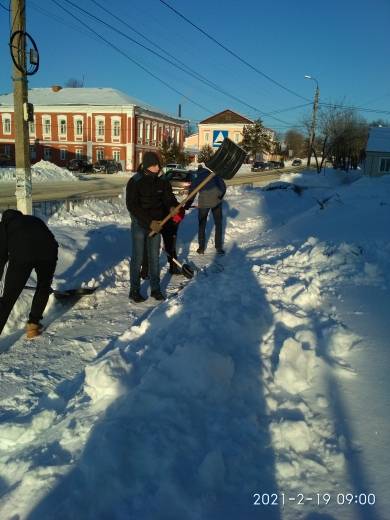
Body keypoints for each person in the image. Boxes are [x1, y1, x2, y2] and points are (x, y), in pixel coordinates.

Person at [126, 151, 179, 303]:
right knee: (137, 258)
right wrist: (149, 222)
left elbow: (169, 198)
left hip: (158, 224)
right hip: (140, 223)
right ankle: (134, 290)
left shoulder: (162, 181)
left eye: (158, 164)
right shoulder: (135, 181)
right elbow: (132, 206)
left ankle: (155, 289)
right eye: (156, 165)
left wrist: (172, 207)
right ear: (148, 166)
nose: (158, 167)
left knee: (154, 258)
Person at [0, 209, 58, 338]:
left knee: (8, 299)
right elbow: (48, 236)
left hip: (23, 257)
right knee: (43, 287)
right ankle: (33, 325)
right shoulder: (34, 219)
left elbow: (1, 255)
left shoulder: (4, 225)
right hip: (49, 252)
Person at [189, 164, 226, 255]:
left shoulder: (197, 178)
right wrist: (219, 197)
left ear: (198, 172)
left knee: (202, 224)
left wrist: (187, 205)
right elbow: (223, 187)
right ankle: (219, 248)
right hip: (216, 202)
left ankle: (201, 248)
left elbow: (192, 193)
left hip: (204, 203)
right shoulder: (214, 174)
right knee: (218, 224)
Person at [141, 207, 185, 278]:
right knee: (149, 246)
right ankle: (145, 271)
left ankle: (173, 268)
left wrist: (174, 223)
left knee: (170, 245)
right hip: (155, 221)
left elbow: (178, 216)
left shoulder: (176, 206)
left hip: (169, 224)